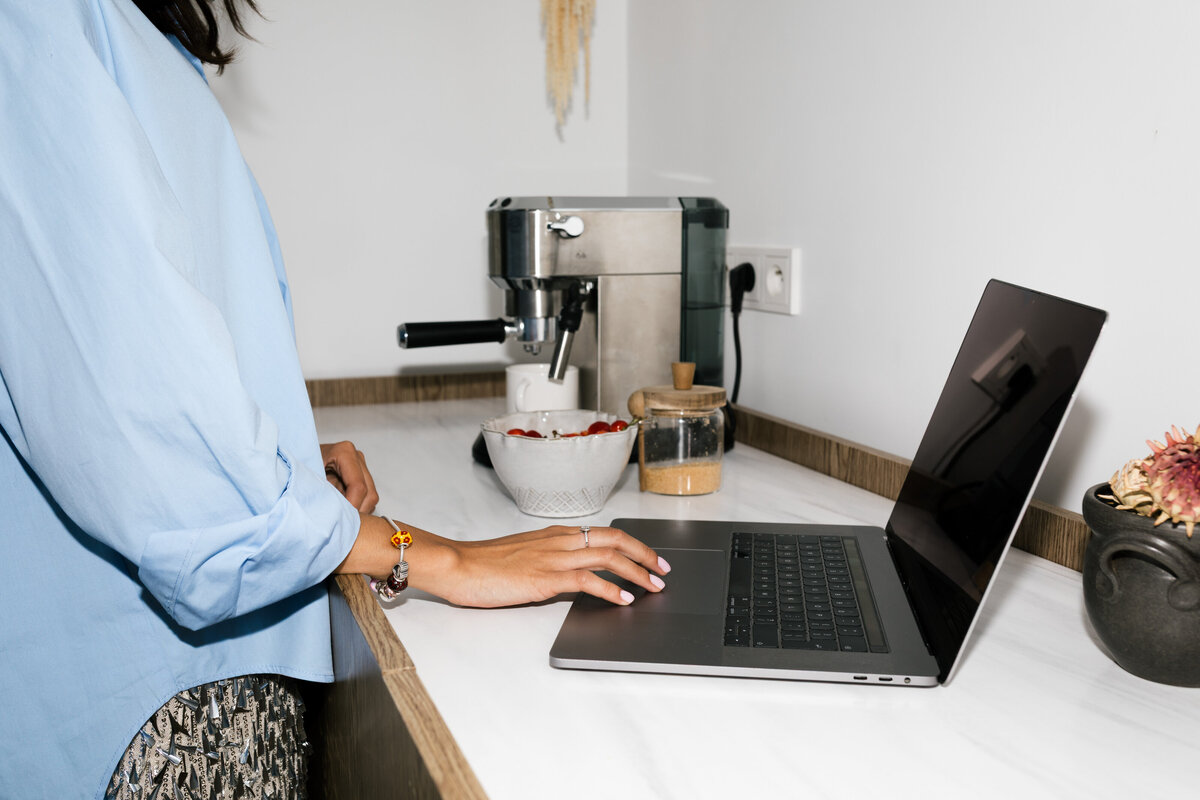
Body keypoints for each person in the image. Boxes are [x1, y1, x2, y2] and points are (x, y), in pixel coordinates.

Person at [0, 1, 670, 798]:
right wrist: (437, 557)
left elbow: (102, 370)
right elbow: (163, 466)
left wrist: (255, 457)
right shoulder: (37, 18)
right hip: (156, 715)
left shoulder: (116, 25)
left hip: (181, 672)